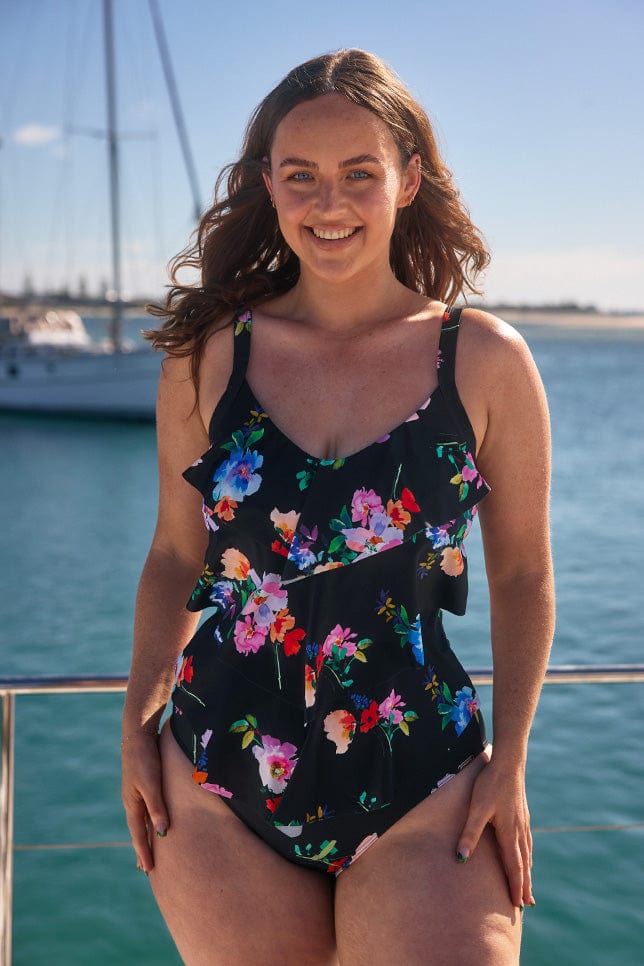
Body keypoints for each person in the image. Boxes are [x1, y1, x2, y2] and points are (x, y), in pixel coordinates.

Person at [121, 48, 554, 966]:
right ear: (268, 187)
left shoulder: (481, 361)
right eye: (301, 176)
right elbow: (171, 556)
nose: (329, 203)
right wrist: (134, 725)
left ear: (407, 183)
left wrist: (511, 762)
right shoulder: (207, 358)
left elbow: (521, 572)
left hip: (424, 784)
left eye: (360, 174)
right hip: (217, 779)